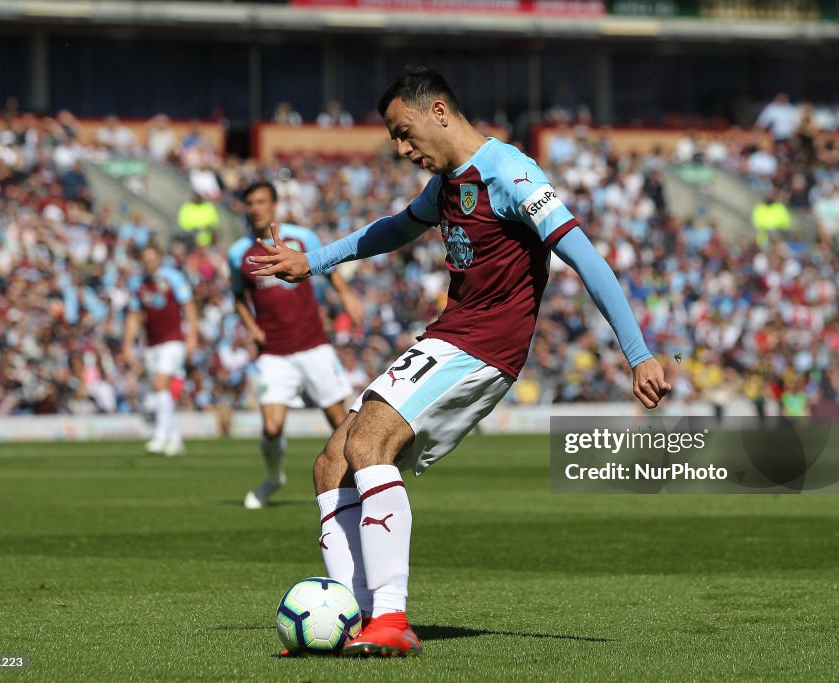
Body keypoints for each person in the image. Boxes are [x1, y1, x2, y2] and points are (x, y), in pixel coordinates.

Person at [249, 67, 670, 657]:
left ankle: (390, 620)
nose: (401, 149)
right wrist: (312, 261)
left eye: (404, 131)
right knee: (330, 462)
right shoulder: (449, 182)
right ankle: (350, 612)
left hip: (483, 345)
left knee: (369, 443)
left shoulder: (512, 172)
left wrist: (638, 354)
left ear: (438, 112)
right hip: (451, 335)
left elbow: (586, 258)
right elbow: (394, 229)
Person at [229, 181, 364, 509]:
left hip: (312, 344)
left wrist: (346, 297)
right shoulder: (238, 253)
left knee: (338, 418)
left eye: (261, 201)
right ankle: (274, 477)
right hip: (272, 353)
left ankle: (358, 482)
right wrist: (251, 327)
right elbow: (238, 297)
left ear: (275, 205)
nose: (256, 208)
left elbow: (329, 270)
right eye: (250, 203)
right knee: (272, 426)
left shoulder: (302, 237)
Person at [122, 243, 199, 456]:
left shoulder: (172, 278)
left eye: (152, 259)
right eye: (145, 260)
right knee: (162, 392)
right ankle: (175, 439)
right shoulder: (138, 283)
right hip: (151, 344)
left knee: (160, 384)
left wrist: (192, 335)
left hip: (173, 340)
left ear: (159, 258)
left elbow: (189, 305)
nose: (149, 263)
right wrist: (128, 344)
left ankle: (160, 436)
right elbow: (135, 316)